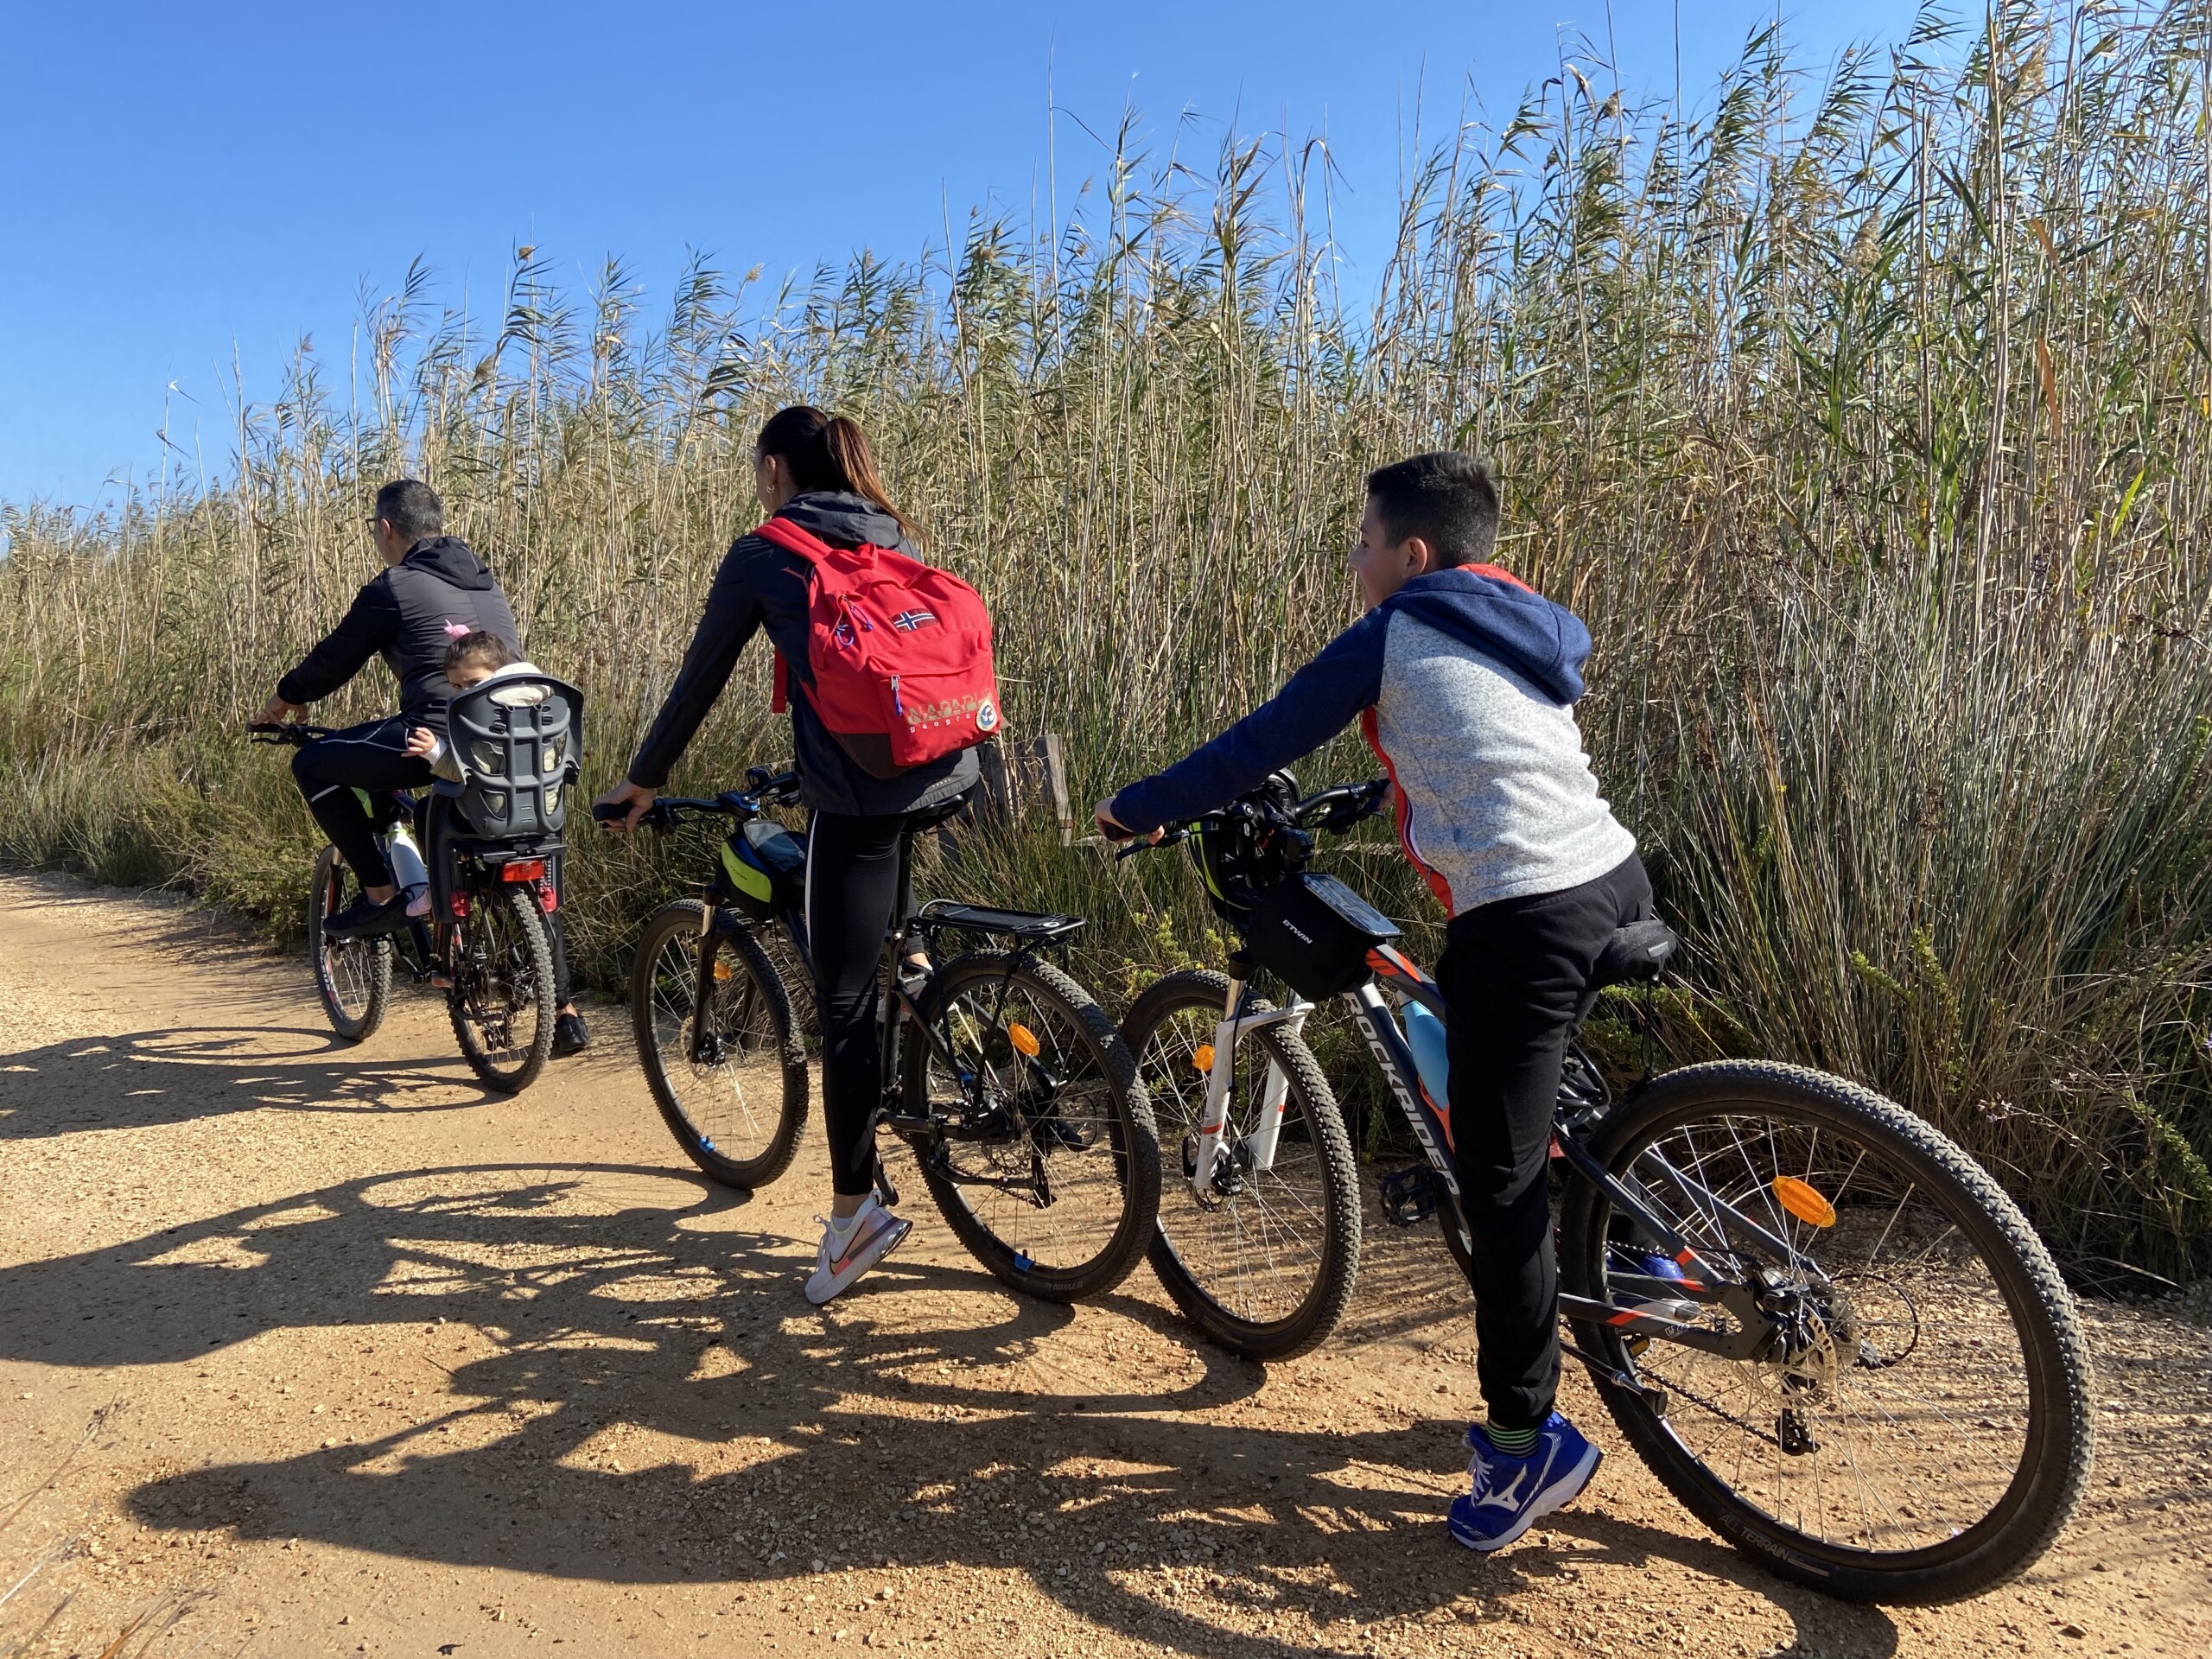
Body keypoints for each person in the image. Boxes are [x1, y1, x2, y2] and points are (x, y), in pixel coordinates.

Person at [1095, 451, 1647, 1554]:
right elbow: (1474, 742)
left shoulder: (1394, 629)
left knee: (1497, 1182)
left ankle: (1524, 1446)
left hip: (1525, 914)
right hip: (1613, 874)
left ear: (1413, 554)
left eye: (1362, 544)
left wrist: (1139, 805)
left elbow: (1260, 741)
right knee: (1540, 1095)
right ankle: (1642, 1252)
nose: (1354, 563)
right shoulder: (1522, 618)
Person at [595, 406, 978, 1306]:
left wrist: (643, 780)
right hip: (948, 764)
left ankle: (853, 1220)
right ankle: (928, 1000)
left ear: (774, 470)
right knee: (892, 952)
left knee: (842, 1000)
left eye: (756, 469)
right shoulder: (890, 534)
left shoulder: (766, 552)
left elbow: (700, 678)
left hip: (857, 794)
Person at [256, 480, 588, 1058]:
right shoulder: (486, 580)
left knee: (313, 763)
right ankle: (564, 1014)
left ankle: (380, 891)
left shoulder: (396, 585)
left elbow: (336, 657)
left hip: (441, 733)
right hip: (518, 745)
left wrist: (286, 699)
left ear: (386, 528)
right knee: (523, 855)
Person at [404, 630, 589, 1058]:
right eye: (457, 687)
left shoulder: (487, 712)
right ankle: (566, 1014)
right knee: (546, 910)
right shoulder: (549, 699)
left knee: (426, 809)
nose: (465, 693)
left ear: (499, 671)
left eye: (472, 682)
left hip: (487, 817)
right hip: (543, 819)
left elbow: (467, 772)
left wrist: (434, 753)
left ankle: (440, 897)